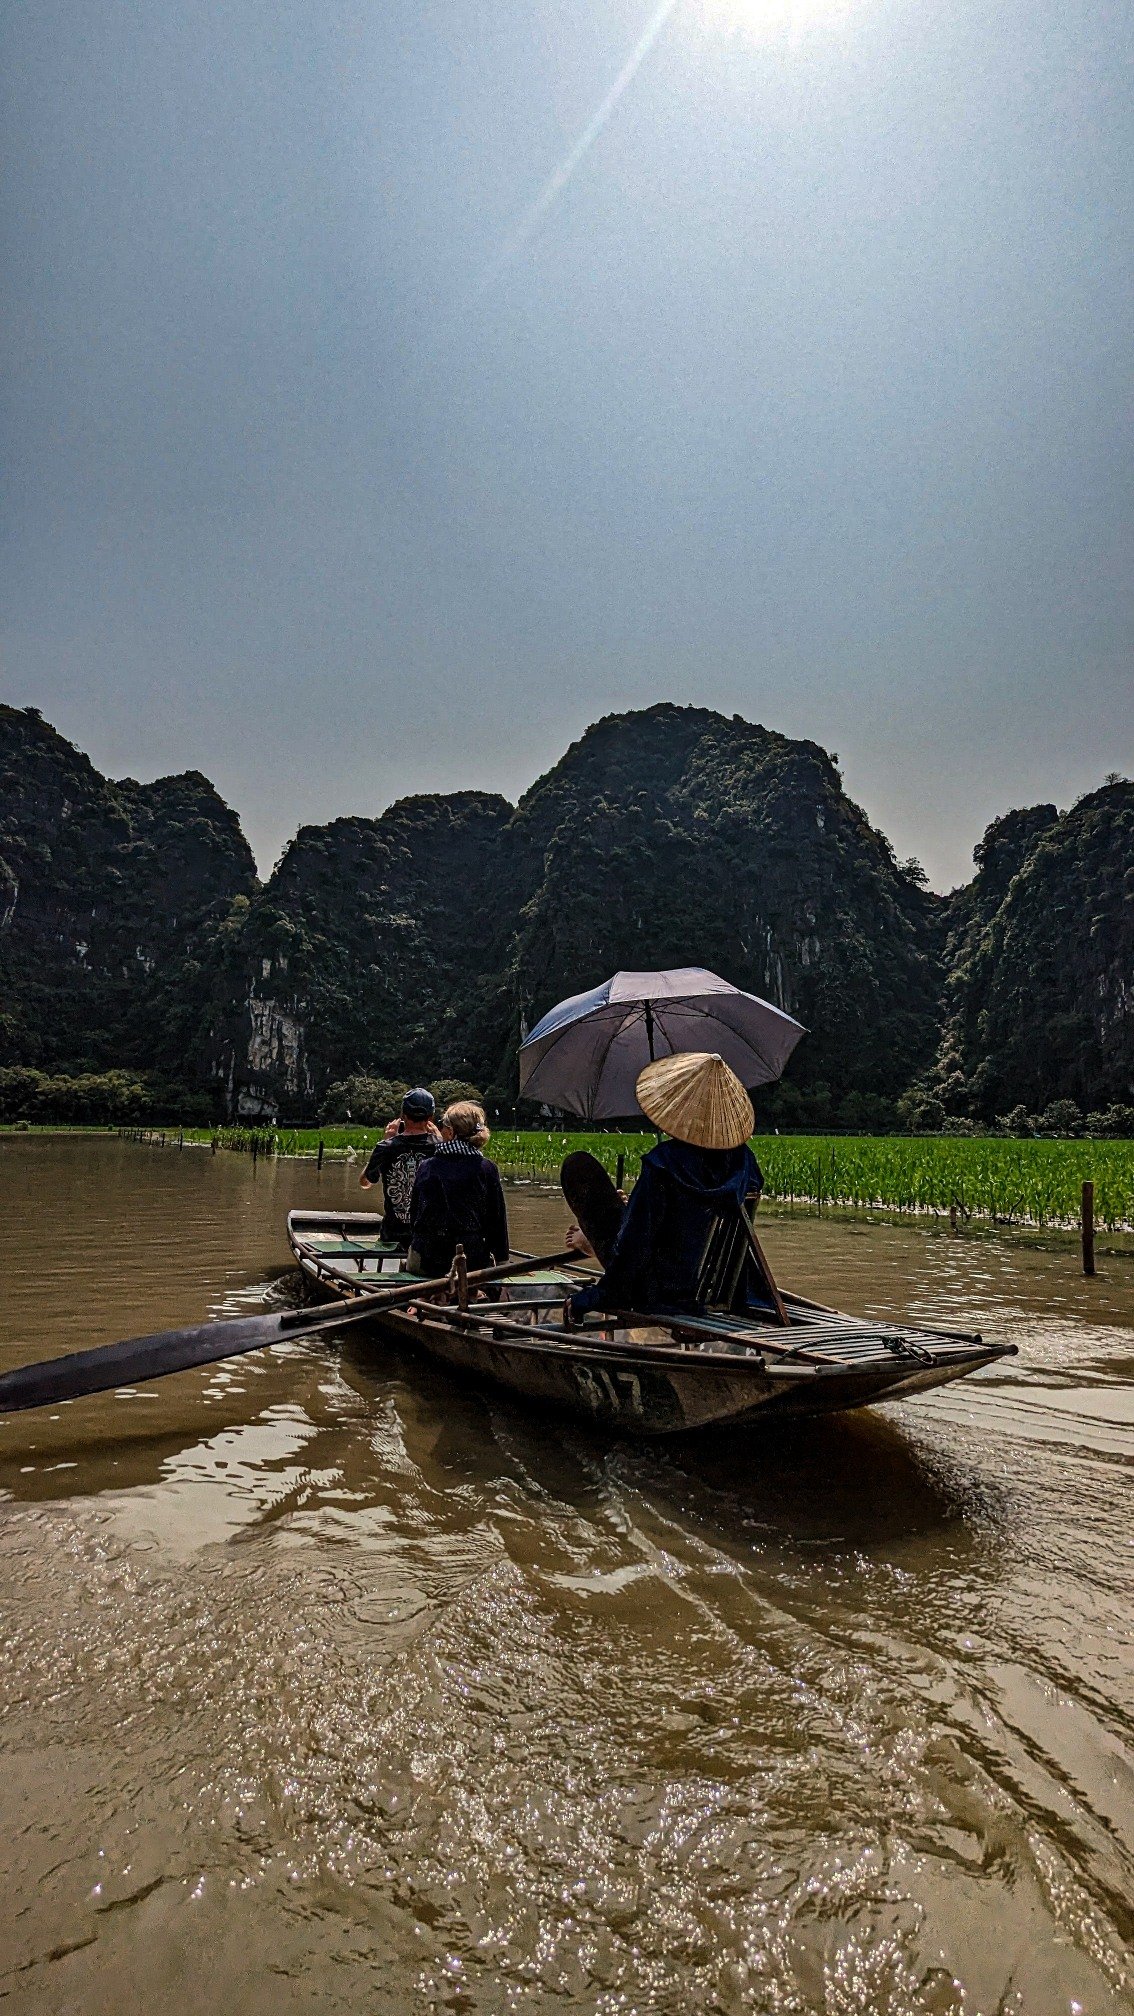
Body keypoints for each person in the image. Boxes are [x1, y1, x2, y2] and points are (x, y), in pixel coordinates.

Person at [563, 1051, 763, 1322]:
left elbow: (634, 1246)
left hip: (664, 1292)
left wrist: (595, 1296)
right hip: (726, 1287)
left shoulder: (664, 1164)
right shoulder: (746, 1163)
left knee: (578, 1167)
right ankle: (591, 1241)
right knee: (628, 1216)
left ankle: (589, 1243)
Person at [407, 1100, 510, 1278]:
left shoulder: (427, 1166)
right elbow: (497, 1221)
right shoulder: (486, 1168)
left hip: (427, 1259)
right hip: (471, 1260)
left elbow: (415, 1215)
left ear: (451, 1132)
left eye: (443, 1126)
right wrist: (502, 1262)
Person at [358, 1088, 440, 1247]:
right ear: (430, 1117)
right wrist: (441, 1140)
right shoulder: (441, 1148)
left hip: (393, 1237)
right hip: (428, 1239)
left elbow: (365, 1183)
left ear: (403, 1115)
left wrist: (386, 1142)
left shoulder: (386, 1147)